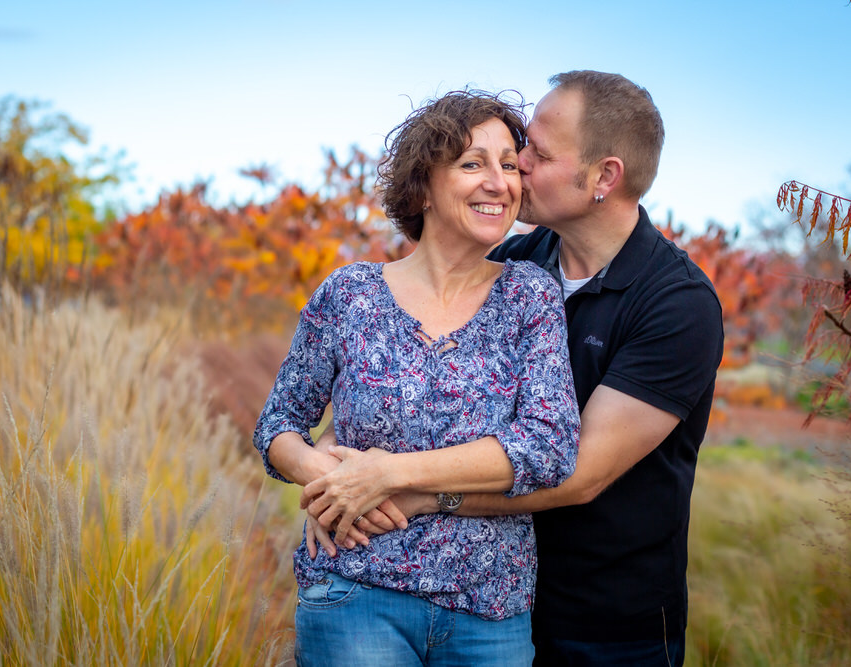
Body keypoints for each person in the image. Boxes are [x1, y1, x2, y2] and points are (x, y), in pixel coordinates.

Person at [309, 71, 724, 667]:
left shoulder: (676, 304)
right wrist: (337, 477)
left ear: (605, 177)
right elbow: (409, 382)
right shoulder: (515, 265)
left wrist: (408, 491)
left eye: (537, 152)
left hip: (608, 625)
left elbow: (577, 475)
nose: (517, 165)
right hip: (492, 601)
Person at [253, 90, 580, 666]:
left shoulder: (530, 295)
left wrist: (387, 475)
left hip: (490, 606)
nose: (499, 182)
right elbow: (279, 424)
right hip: (355, 590)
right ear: (423, 185)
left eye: (509, 165)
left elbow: (549, 446)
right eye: (473, 163)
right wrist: (323, 478)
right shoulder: (350, 293)